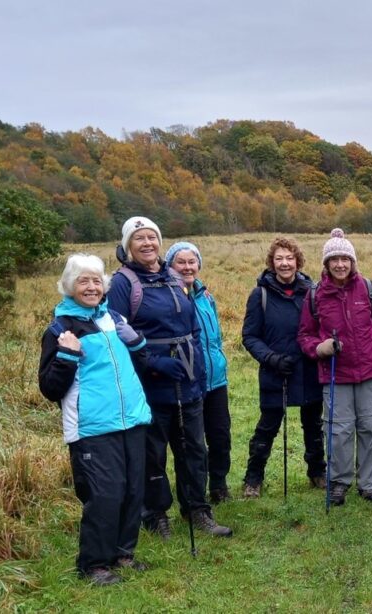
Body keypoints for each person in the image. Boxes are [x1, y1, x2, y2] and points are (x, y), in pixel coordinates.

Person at [107, 216, 232, 538]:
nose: (147, 244)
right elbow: (117, 328)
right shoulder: (123, 283)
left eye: (152, 237)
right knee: (154, 451)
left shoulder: (174, 277)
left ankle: (197, 509)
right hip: (150, 382)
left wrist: (198, 366)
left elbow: (191, 323)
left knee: (194, 448)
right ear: (127, 246)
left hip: (187, 377)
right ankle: (156, 514)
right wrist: (152, 361)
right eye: (139, 239)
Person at [38, 254, 152, 585]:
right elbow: (49, 388)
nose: (91, 287)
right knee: (105, 494)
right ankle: (94, 564)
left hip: (130, 418)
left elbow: (135, 362)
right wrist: (67, 355)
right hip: (91, 426)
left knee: (133, 489)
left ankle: (122, 554)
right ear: (69, 286)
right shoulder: (60, 329)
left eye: (96, 280)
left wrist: (137, 341)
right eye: (83, 281)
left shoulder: (112, 318)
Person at [298, 228, 372, 506]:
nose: (340, 264)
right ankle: (340, 482)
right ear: (326, 264)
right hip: (335, 375)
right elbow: (305, 335)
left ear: (353, 262)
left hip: (370, 372)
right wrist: (319, 348)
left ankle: (368, 483)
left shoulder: (368, 289)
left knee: (369, 427)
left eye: (345, 259)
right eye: (334, 259)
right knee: (339, 430)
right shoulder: (315, 296)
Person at [241, 237, 326, 497]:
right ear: (272, 262)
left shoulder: (312, 291)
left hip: (308, 369)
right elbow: (250, 336)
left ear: (298, 261)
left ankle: (317, 472)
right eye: (279, 258)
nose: (285, 263)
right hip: (275, 371)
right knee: (267, 427)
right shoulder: (261, 295)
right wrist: (271, 358)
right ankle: (253, 478)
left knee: (313, 426)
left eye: (289, 258)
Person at [165, 241, 232, 504]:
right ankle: (196, 491)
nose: (187, 267)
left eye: (192, 261)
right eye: (180, 262)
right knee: (193, 441)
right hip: (189, 379)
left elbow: (216, 337)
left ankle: (219, 484)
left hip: (216, 379)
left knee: (220, 435)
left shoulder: (206, 297)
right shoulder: (169, 296)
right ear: (170, 265)